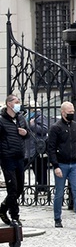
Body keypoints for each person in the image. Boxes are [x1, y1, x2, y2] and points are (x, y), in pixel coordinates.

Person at [48, 102, 76, 229]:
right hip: (61, 164)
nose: (71, 114)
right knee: (59, 193)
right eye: (69, 112)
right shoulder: (55, 128)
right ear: (63, 113)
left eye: (73, 111)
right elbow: (51, 148)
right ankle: (57, 218)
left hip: (74, 164)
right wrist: (55, 165)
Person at [0, 95, 29, 225]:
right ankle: (14, 217)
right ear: (9, 104)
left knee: (20, 188)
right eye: (16, 102)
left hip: (19, 157)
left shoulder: (20, 118)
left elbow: (27, 133)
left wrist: (25, 133)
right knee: (12, 188)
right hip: (7, 158)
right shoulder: (1, 120)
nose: (19, 105)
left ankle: (2, 208)